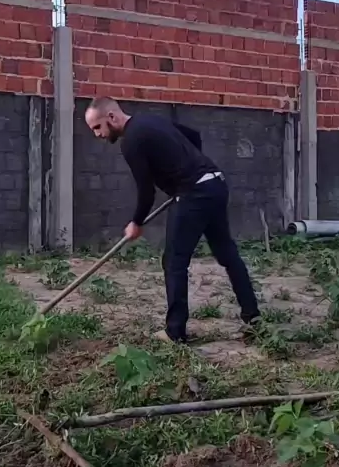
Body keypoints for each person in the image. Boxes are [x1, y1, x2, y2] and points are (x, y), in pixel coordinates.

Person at [84, 96, 261, 343]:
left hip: (194, 194)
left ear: (111, 117)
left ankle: (175, 332)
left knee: (174, 261)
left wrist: (136, 222)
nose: (97, 134)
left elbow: (146, 190)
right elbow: (194, 136)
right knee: (227, 254)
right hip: (215, 183)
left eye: (97, 127)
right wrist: (187, 168)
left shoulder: (131, 141)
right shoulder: (151, 121)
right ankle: (254, 319)